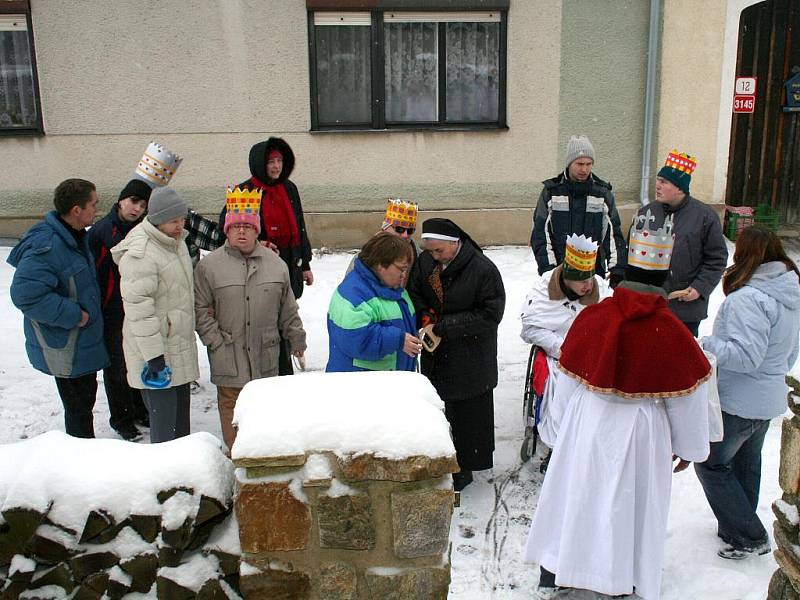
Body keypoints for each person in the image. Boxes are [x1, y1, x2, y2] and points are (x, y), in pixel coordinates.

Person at [525, 210, 712, 600]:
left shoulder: (594, 319)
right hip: (643, 434)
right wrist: (690, 448)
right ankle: (623, 579)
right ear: (664, 279)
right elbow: (687, 400)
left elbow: (569, 384)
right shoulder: (673, 333)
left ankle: (567, 570)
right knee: (631, 508)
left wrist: (562, 433)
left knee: (581, 498)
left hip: (588, 426)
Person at [695, 225, 800, 560]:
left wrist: (706, 345)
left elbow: (745, 356)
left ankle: (748, 534)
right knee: (745, 464)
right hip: (767, 398)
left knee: (710, 463)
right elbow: (790, 353)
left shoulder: (749, 299)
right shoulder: (790, 292)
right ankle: (736, 528)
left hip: (738, 401)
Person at [195, 187, 307, 450]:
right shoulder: (208, 267)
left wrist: (297, 339)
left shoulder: (276, 265)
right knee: (233, 419)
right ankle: (237, 463)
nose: (242, 231)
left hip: (265, 357)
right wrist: (216, 342)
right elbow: (200, 310)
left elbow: (288, 309)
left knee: (264, 420)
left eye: (247, 226)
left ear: (257, 229)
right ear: (227, 230)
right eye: (236, 227)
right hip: (228, 357)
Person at [407, 218, 505, 491]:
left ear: (455, 244)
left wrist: (444, 326)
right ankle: (441, 459)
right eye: (430, 251)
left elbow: (491, 313)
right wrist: (426, 316)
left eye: (439, 251)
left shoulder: (482, 270)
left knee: (467, 414)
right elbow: (414, 292)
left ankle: (465, 467)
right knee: (441, 408)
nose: (434, 257)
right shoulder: (426, 263)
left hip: (471, 354)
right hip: (436, 351)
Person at [8, 179, 109, 438]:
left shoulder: (74, 237)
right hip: (67, 344)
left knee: (83, 403)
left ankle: (82, 452)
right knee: (78, 409)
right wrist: (75, 315)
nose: (96, 210)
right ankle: (78, 463)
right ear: (77, 210)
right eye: (93, 204)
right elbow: (25, 295)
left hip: (81, 343)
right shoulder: (49, 246)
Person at [218, 137, 313, 376]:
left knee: (287, 311)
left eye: (280, 161)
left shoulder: (289, 188)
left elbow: (300, 226)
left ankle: (286, 362)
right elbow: (227, 227)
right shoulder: (244, 192)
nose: (276, 166)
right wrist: (257, 243)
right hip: (259, 264)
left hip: (288, 261)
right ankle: (268, 368)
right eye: (271, 161)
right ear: (260, 163)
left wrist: (305, 264)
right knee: (266, 317)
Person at [112, 187, 200, 443]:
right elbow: (139, 312)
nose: (179, 225)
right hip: (155, 354)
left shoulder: (175, 243)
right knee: (164, 428)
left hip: (177, 344)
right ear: (157, 219)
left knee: (181, 425)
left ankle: (185, 473)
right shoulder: (141, 254)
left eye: (182, 220)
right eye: (174, 221)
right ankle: (165, 479)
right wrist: (154, 358)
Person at [519, 234, 608, 458]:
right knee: (559, 388)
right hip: (558, 354)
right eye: (582, 281)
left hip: (593, 355)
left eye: (590, 279)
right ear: (568, 277)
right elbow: (531, 329)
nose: (589, 286)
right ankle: (561, 442)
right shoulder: (544, 289)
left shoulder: (602, 291)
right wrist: (561, 348)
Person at [634, 150, 728, 336]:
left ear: (679, 188)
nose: (657, 185)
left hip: (685, 309)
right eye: (658, 180)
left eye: (664, 182)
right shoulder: (646, 213)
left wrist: (699, 288)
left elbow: (716, 259)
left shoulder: (704, 217)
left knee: (681, 361)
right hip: (648, 306)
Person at [87, 178, 152, 441]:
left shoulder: (143, 229)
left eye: (143, 205)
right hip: (110, 309)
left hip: (134, 306)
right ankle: (121, 418)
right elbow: (93, 272)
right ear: (121, 201)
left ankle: (138, 409)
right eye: (134, 201)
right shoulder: (102, 231)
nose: (137, 208)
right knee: (116, 367)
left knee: (137, 359)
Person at [530, 135, 627, 285]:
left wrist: (617, 270)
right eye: (579, 163)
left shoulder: (602, 193)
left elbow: (613, 234)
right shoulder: (551, 192)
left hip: (594, 275)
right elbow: (541, 234)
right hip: (559, 274)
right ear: (569, 163)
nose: (584, 169)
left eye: (589, 164)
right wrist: (548, 271)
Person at [327, 232, 419, 372]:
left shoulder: (395, 290)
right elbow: (355, 339)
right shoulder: (352, 294)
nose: (404, 275)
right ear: (381, 265)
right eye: (401, 269)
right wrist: (398, 340)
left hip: (392, 383)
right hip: (362, 386)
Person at [345, 198, 419, 275]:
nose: (405, 235)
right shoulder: (366, 258)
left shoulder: (419, 256)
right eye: (399, 229)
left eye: (410, 231)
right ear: (385, 228)